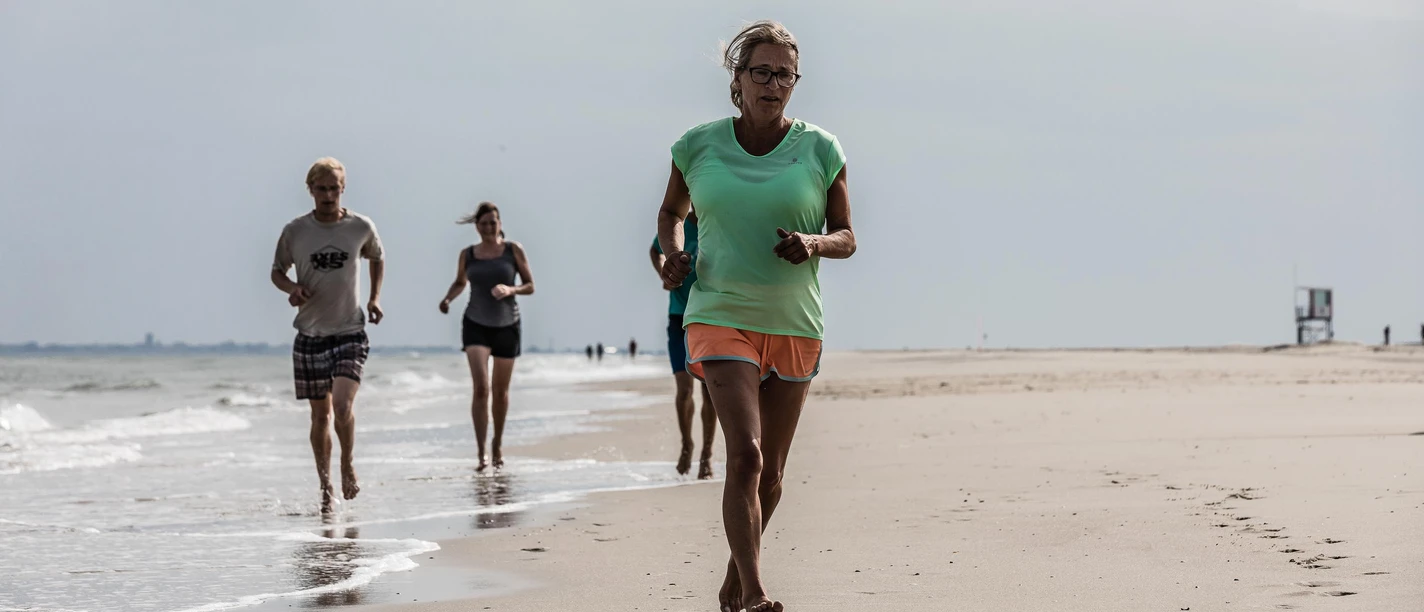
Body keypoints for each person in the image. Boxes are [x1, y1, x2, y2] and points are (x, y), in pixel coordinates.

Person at [657, 21, 855, 612]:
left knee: (770, 479)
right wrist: (672, 254)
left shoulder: (822, 149)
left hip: (794, 320)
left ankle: (732, 578)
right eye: (761, 72)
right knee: (745, 454)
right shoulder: (698, 145)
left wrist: (813, 243)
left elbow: (847, 236)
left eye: (785, 74)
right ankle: (755, 590)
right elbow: (671, 211)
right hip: (719, 312)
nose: (774, 84)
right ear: (737, 79)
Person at [271, 157, 385, 514]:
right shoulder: (295, 231)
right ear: (310, 190)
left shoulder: (359, 227)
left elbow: (377, 257)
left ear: (343, 188)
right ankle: (325, 485)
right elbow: (276, 271)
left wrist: (374, 298)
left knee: (342, 406)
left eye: (334, 188)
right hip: (309, 335)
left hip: (350, 331)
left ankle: (347, 464)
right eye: (321, 188)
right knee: (320, 417)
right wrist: (291, 288)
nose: (328, 194)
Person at [439, 202, 535, 472]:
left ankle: (497, 444)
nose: (489, 228)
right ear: (476, 226)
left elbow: (530, 285)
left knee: (500, 392)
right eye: (484, 224)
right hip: (475, 323)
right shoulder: (467, 254)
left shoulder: (513, 250)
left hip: (507, 324)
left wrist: (510, 289)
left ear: (500, 223)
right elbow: (460, 282)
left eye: (493, 222)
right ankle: (481, 451)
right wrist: (447, 299)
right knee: (481, 389)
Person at [649, 211, 717, 479]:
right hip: (679, 316)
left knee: (711, 392)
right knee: (684, 389)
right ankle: (687, 444)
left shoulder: (718, 219)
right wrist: (664, 273)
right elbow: (655, 251)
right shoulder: (678, 225)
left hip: (711, 317)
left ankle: (707, 454)